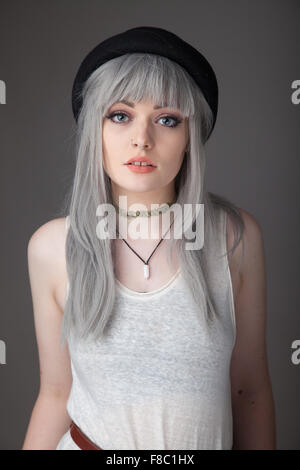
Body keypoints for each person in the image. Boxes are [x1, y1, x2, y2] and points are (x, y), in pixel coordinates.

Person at [22, 26, 276, 450]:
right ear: (94, 132)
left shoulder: (235, 237)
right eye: (120, 115)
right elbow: (54, 394)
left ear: (189, 138)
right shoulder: (51, 247)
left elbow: (250, 391)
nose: (142, 138)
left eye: (167, 119)